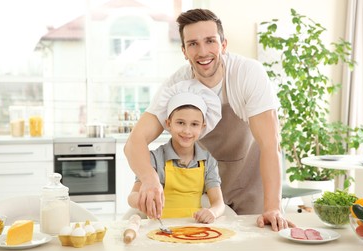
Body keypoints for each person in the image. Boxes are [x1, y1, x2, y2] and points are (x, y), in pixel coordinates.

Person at [124, 8, 294, 231]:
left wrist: (273, 207)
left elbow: (270, 145)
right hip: (205, 187)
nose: (202, 51)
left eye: (210, 41)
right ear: (184, 51)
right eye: (193, 44)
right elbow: (134, 142)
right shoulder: (176, 86)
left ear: (223, 45)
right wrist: (149, 178)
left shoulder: (248, 74)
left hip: (251, 184)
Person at [127, 79, 225, 223]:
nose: (187, 131)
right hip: (159, 229)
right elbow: (132, 196)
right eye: (180, 123)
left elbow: (218, 203)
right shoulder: (154, 159)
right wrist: (143, 200)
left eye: (194, 124)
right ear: (168, 124)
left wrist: (212, 212)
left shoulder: (208, 161)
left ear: (202, 127)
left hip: (194, 230)